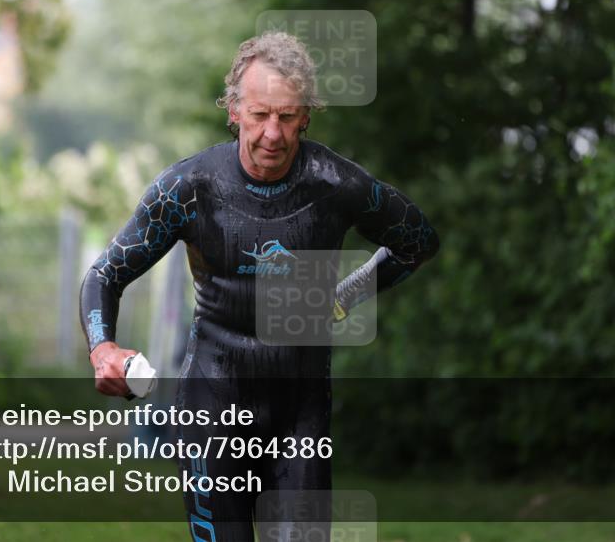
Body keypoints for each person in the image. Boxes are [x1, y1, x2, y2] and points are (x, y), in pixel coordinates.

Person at [80, 31, 439, 541]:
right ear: (234, 110)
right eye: (260, 114)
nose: (273, 133)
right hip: (211, 407)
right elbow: (105, 275)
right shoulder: (188, 189)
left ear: (306, 116)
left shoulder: (337, 185)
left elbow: (417, 241)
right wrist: (103, 348)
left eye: (287, 116)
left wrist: (345, 297)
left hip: (299, 416)